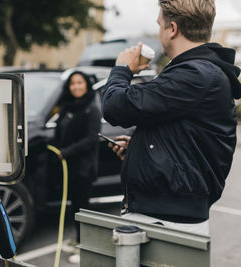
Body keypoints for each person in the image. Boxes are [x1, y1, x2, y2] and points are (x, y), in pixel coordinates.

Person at [101, 0, 240, 235]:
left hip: (169, 220)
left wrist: (121, 69)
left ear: (172, 29)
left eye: (159, 25)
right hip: (169, 216)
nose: (159, 32)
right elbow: (182, 136)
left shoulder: (196, 74)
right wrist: (140, 149)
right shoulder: (197, 72)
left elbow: (115, 106)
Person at [49, 71, 101, 263]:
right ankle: (79, 240)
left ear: (87, 85)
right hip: (68, 167)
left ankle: (84, 247)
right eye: (72, 83)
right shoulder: (66, 107)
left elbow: (91, 140)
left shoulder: (92, 109)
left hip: (84, 167)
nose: (76, 86)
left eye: (80, 83)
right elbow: (58, 132)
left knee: (82, 207)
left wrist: (66, 151)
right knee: (74, 205)